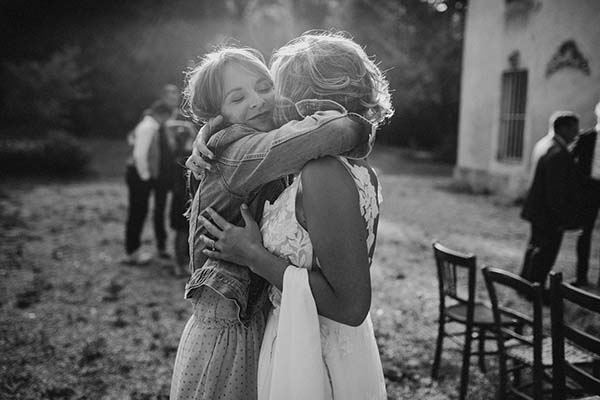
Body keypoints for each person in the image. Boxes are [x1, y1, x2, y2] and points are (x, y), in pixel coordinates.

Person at [194, 32, 393, 399]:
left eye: (272, 88)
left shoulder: (323, 171)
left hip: (311, 350)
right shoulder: (355, 168)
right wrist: (210, 130)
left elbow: (351, 305)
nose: (266, 102)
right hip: (296, 333)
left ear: (301, 99)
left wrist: (254, 256)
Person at [520, 111, 582, 288]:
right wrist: (561, 218)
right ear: (563, 129)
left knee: (534, 248)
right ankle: (535, 289)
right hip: (548, 214)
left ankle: (525, 283)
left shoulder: (544, 144)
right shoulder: (558, 153)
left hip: (537, 209)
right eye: (574, 130)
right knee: (545, 254)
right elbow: (556, 190)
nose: (576, 135)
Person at [123, 100, 174, 265]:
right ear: (163, 114)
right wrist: (145, 177)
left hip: (142, 176)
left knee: (139, 212)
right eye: (167, 117)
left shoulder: (152, 126)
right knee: (137, 213)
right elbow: (139, 154)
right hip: (139, 176)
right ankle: (132, 252)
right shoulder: (148, 127)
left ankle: (134, 250)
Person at [571, 101, 600, 287]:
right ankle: (581, 276)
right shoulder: (586, 138)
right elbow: (569, 161)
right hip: (589, 189)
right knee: (585, 232)